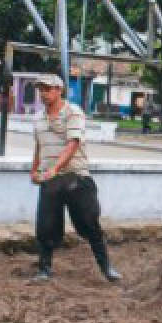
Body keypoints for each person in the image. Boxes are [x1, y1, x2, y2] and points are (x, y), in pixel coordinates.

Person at [29, 73, 120, 284]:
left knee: (89, 223)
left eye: (48, 89)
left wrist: (56, 168)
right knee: (45, 226)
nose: (44, 93)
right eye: (41, 89)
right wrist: (35, 170)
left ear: (59, 90)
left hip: (75, 178)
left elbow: (73, 143)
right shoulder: (38, 119)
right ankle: (44, 269)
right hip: (50, 180)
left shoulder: (73, 112)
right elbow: (38, 147)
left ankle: (106, 267)